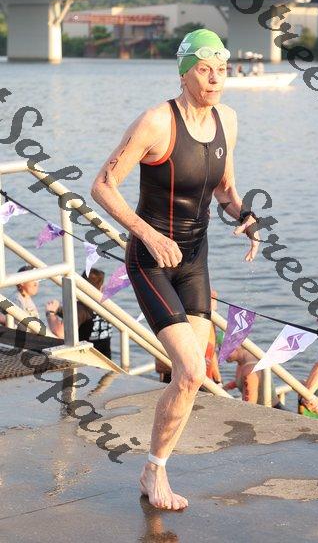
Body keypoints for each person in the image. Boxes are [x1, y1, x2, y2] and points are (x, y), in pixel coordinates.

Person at [90, 28, 261, 511]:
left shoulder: (228, 120)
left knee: (194, 372)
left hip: (194, 261)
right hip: (151, 259)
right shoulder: (157, 122)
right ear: (185, 73)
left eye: (222, 70)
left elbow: (224, 188)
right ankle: (155, 470)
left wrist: (245, 215)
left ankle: (155, 467)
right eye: (205, 70)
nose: (215, 79)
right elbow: (102, 185)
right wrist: (148, 234)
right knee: (188, 371)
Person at [155, 289, 222, 385]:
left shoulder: (211, 323)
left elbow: (212, 351)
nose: (213, 293)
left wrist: (218, 380)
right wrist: (190, 364)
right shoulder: (174, 324)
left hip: (206, 381)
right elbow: (159, 366)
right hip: (183, 379)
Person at [46, 268, 113, 359]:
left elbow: (60, 333)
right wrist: (60, 311)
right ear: (101, 288)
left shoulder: (80, 308)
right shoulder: (107, 306)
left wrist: (50, 313)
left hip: (86, 362)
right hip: (106, 361)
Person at [1, 265, 40, 330]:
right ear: (22, 282)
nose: (36, 284)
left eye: (37, 279)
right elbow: (18, 327)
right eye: (33, 279)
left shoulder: (26, 298)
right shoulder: (17, 300)